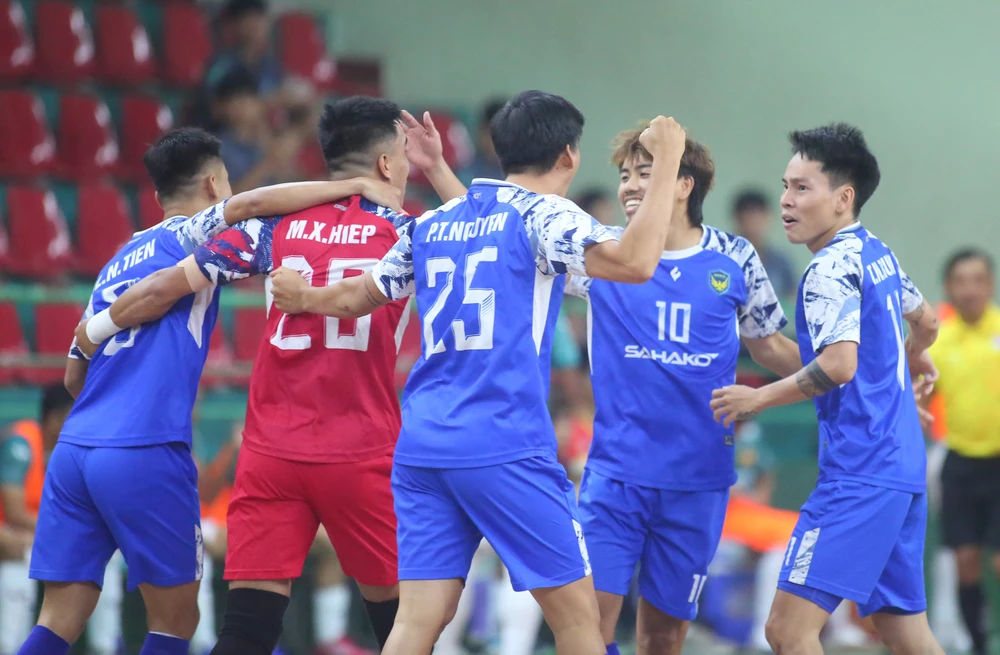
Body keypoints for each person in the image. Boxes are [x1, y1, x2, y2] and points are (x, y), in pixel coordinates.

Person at [268, 90, 689, 655]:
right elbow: (636, 263)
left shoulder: (435, 221)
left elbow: (356, 298)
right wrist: (665, 164)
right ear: (569, 155)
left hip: (423, 447)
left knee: (417, 623)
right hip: (505, 442)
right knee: (577, 622)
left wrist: (305, 295)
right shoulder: (547, 216)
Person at [75, 97, 465, 655]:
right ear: (386, 165)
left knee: (247, 630)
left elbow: (163, 288)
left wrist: (87, 335)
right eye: (404, 159)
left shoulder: (271, 228)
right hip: (360, 450)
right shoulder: (409, 232)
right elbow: (479, 238)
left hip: (270, 451)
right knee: (401, 626)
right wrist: (438, 167)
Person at [710, 123, 944, 655]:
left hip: (859, 475)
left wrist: (757, 398)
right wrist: (903, 369)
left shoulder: (826, 269)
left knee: (787, 631)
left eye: (802, 188)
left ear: (843, 198)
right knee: (904, 629)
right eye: (785, 186)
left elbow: (838, 367)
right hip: (902, 468)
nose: (785, 201)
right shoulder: (875, 252)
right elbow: (926, 324)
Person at [565, 124, 799, 655]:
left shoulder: (734, 257)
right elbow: (510, 233)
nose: (627, 187)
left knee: (664, 637)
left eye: (644, 173)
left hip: (697, 484)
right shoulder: (603, 254)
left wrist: (841, 375)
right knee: (588, 632)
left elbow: (770, 348)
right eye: (623, 176)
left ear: (683, 183)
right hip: (615, 478)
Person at [926, 248, 1000, 655]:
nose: (969, 290)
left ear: (989, 284)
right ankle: (977, 644)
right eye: (961, 281)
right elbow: (919, 394)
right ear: (949, 288)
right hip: (959, 464)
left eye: (977, 280)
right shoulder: (940, 342)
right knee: (966, 561)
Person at [731, 189, 797, 299]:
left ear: (767, 218)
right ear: (738, 219)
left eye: (757, 216)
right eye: (748, 216)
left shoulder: (781, 264)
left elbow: (792, 300)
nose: (753, 222)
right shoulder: (724, 259)